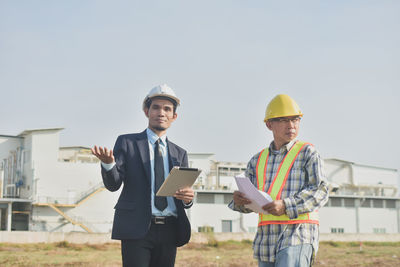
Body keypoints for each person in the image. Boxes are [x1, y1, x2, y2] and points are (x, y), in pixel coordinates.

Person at [91, 84, 194, 267]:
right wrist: (108, 164)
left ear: (174, 116)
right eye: (155, 107)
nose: (161, 112)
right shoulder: (128, 143)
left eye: (167, 109)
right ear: (146, 111)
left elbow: (183, 194)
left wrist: (188, 199)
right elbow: (114, 184)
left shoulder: (180, 154)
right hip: (137, 228)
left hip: (170, 229)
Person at [229, 94, 329, 267]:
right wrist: (239, 201)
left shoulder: (307, 153)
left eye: (295, 120)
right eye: (283, 120)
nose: (291, 125)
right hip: (266, 240)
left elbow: (320, 191)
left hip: (297, 235)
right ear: (269, 125)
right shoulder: (257, 160)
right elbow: (249, 200)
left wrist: (285, 205)